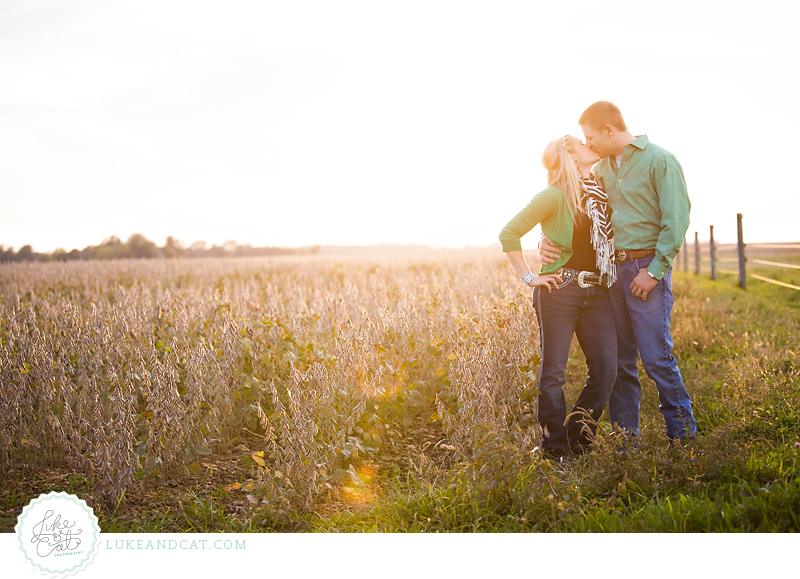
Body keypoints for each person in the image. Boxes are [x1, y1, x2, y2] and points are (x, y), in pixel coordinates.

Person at [540, 101, 697, 445]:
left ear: (609, 131)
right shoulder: (601, 172)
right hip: (609, 272)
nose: (590, 144)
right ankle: (626, 441)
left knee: (656, 357)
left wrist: (654, 271)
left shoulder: (660, 160)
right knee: (622, 363)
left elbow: (677, 219)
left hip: (645, 270)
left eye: (591, 137)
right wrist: (545, 239)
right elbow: (571, 207)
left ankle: (683, 437)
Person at [499, 135, 617, 461]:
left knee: (606, 371)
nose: (589, 143)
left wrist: (542, 237)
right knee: (554, 373)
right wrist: (529, 276)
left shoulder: (600, 190)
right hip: (559, 289)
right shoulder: (553, 195)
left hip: (598, 291)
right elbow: (508, 233)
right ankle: (555, 449)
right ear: (568, 153)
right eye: (581, 142)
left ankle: (578, 440)